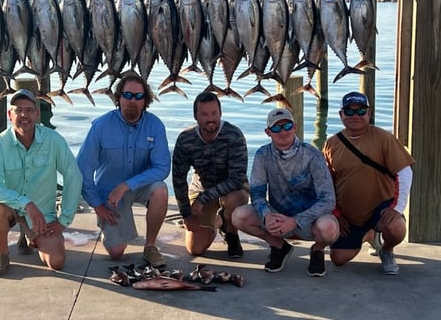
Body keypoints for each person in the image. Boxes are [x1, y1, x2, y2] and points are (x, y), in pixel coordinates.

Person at [0, 89, 83, 277]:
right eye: (18, 110)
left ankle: (28, 236)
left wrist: (63, 220)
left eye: (29, 110)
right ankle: (2, 253)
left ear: (37, 115)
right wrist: (26, 204)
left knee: (57, 262)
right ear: (9, 114)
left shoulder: (53, 140)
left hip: (42, 213)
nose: (24, 115)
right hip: (9, 208)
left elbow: (73, 176)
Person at [76, 74, 170, 267]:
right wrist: (97, 206)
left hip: (140, 185)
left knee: (160, 190)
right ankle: (108, 232)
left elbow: (162, 167)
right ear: (118, 98)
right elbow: (83, 169)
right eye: (127, 95)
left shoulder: (155, 125)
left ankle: (150, 246)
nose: (132, 101)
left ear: (146, 100)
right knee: (117, 253)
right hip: (110, 194)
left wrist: (127, 185)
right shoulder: (100, 126)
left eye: (138, 96)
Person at [232, 108, 339, 276]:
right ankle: (278, 246)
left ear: (294, 127)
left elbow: (328, 199)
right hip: (277, 218)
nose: (282, 131)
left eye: (287, 126)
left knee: (330, 228)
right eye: (276, 128)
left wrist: (296, 221)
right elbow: (257, 194)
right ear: (268, 132)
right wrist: (267, 215)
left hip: (310, 220)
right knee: (239, 215)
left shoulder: (313, 155)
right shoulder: (262, 155)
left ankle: (317, 250)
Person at [323, 92, 415, 275]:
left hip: (380, 208)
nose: (355, 115)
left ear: (369, 113)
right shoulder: (331, 143)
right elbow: (326, 184)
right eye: (349, 111)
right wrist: (336, 214)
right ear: (341, 115)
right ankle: (370, 235)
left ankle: (387, 250)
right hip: (349, 216)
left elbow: (405, 172)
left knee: (395, 227)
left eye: (361, 111)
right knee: (338, 259)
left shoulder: (384, 138)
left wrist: (397, 208)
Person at [172, 92, 249, 258]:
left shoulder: (234, 135)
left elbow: (237, 179)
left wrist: (204, 199)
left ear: (220, 113)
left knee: (236, 198)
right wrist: (186, 214)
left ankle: (231, 232)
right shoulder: (185, 139)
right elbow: (179, 180)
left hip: (231, 190)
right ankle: (218, 221)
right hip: (200, 189)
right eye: (204, 114)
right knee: (195, 249)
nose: (210, 119)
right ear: (195, 116)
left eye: (214, 113)